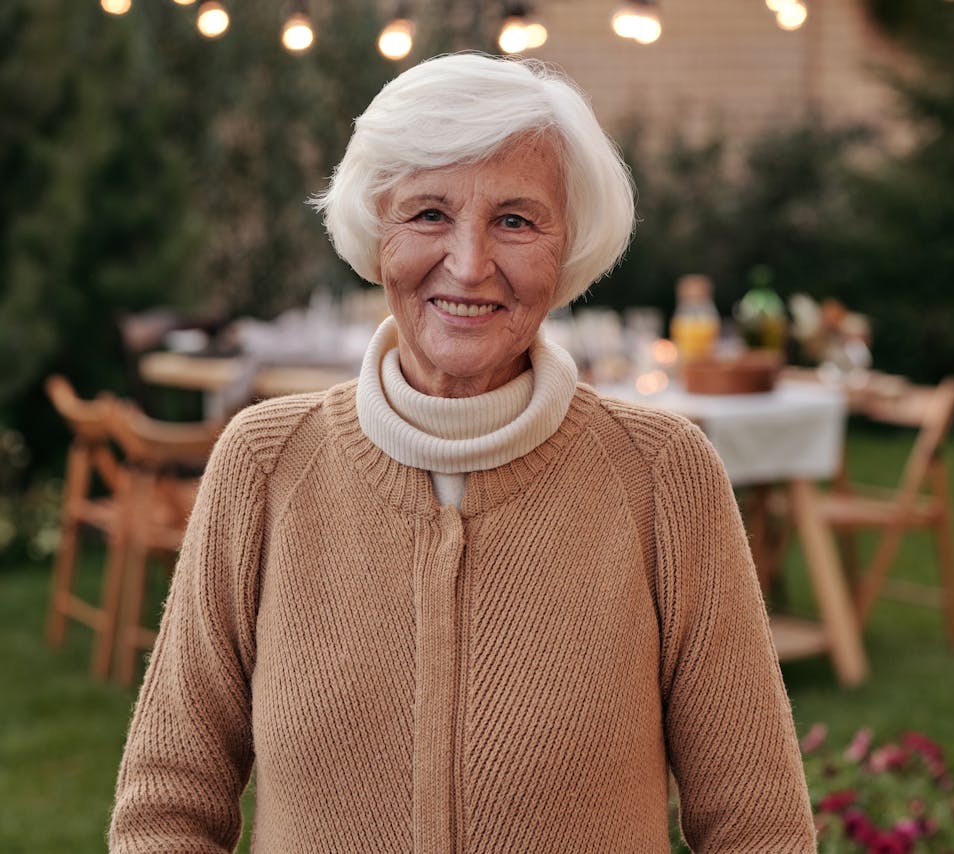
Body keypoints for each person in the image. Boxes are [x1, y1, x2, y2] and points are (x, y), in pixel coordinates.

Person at [109, 53, 815, 852]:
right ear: (377, 234)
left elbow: (758, 827)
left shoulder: (661, 475)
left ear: (568, 245)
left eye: (516, 220)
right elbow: (168, 805)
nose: (470, 264)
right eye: (429, 215)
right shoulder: (264, 464)